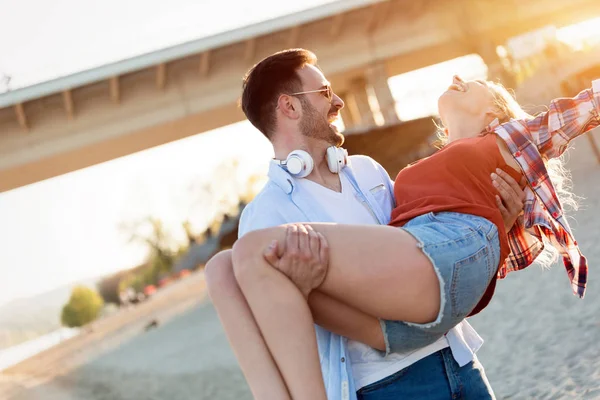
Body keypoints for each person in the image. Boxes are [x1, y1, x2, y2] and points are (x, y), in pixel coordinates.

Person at [206, 49, 527, 400]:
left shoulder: (367, 170)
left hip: (459, 361)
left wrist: (499, 222)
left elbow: (432, 255)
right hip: (386, 386)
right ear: (289, 107)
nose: (340, 101)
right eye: (325, 92)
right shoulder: (265, 216)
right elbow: (284, 332)